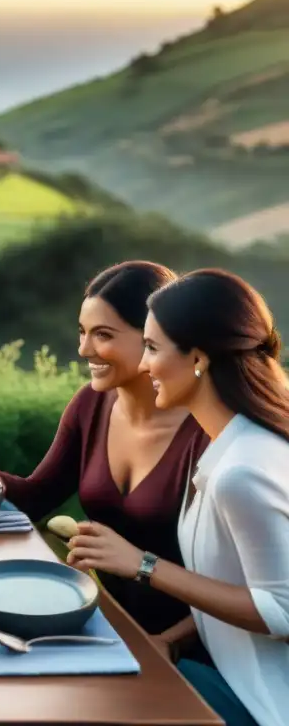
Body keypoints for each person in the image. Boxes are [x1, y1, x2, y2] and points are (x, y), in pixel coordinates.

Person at [0, 260, 210, 643]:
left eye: (103, 334)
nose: (84, 349)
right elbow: (36, 497)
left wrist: (168, 644)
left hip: (187, 650)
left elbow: (241, 586)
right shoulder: (90, 405)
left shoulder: (206, 434)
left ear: (154, 336)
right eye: (82, 332)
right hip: (104, 625)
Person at [67, 268, 288, 726]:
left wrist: (143, 565)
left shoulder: (241, 470)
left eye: (151, 348)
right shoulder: (229, 447)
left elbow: (282, 611)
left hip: (258, 699)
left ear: (198, 359)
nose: (144, 365)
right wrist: (171, 641)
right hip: (220, 671)